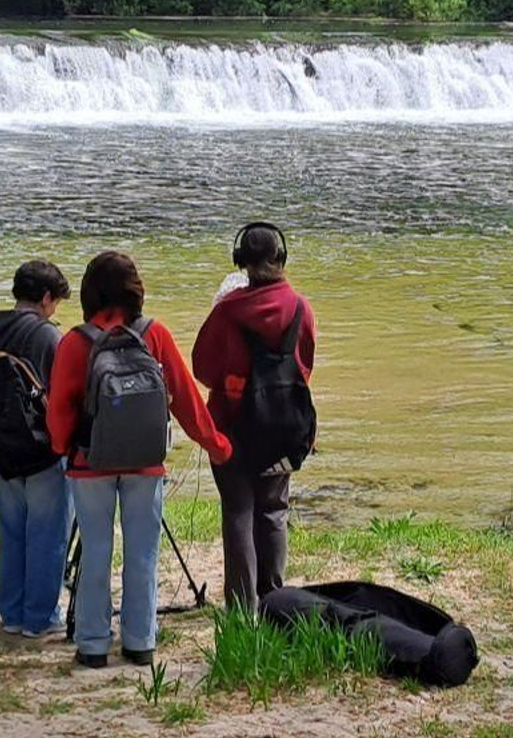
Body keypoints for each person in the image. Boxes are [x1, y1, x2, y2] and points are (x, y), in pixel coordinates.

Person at [46, 251, 233, 668]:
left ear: (89, 292)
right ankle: (140, 640)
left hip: (89, 464)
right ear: (136, 290)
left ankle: (93, 644)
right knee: (143, 553)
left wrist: (62, 448)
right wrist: (217, 445)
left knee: (96, 551)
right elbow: (186, 401)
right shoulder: (155, 334)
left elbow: (59, 410)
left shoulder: (75, 342)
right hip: (146, 463)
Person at [192, 222, 317, 611]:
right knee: (274, 511)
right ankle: (273, 599)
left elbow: (202, 368)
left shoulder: (227, 311)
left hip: (232, 429)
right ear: (281, 258)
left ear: (240, 261)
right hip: (285, 428)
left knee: (238, 512)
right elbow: (306, 365)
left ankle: (241, 609)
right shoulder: (301, 307)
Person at [0, 260, 72, 638]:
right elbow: (63, 394)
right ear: (46, 298)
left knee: (12, 534)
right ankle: (40, 617)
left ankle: (11, 612)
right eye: (55, 302)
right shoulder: (48, 336)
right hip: (42, 452)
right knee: (47, 536)